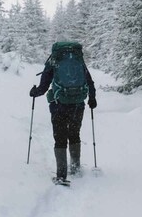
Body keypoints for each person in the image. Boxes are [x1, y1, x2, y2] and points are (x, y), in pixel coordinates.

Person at [29, 42, 97, 183]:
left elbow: (43, 86)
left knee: (60, 137)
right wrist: (92, 98)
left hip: (59, 105)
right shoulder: (79, 61)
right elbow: (89, 81)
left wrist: (34, 92)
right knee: (74, 134)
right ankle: (75, 167)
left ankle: (61, 175)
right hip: (78, 104)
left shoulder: (54, 61)